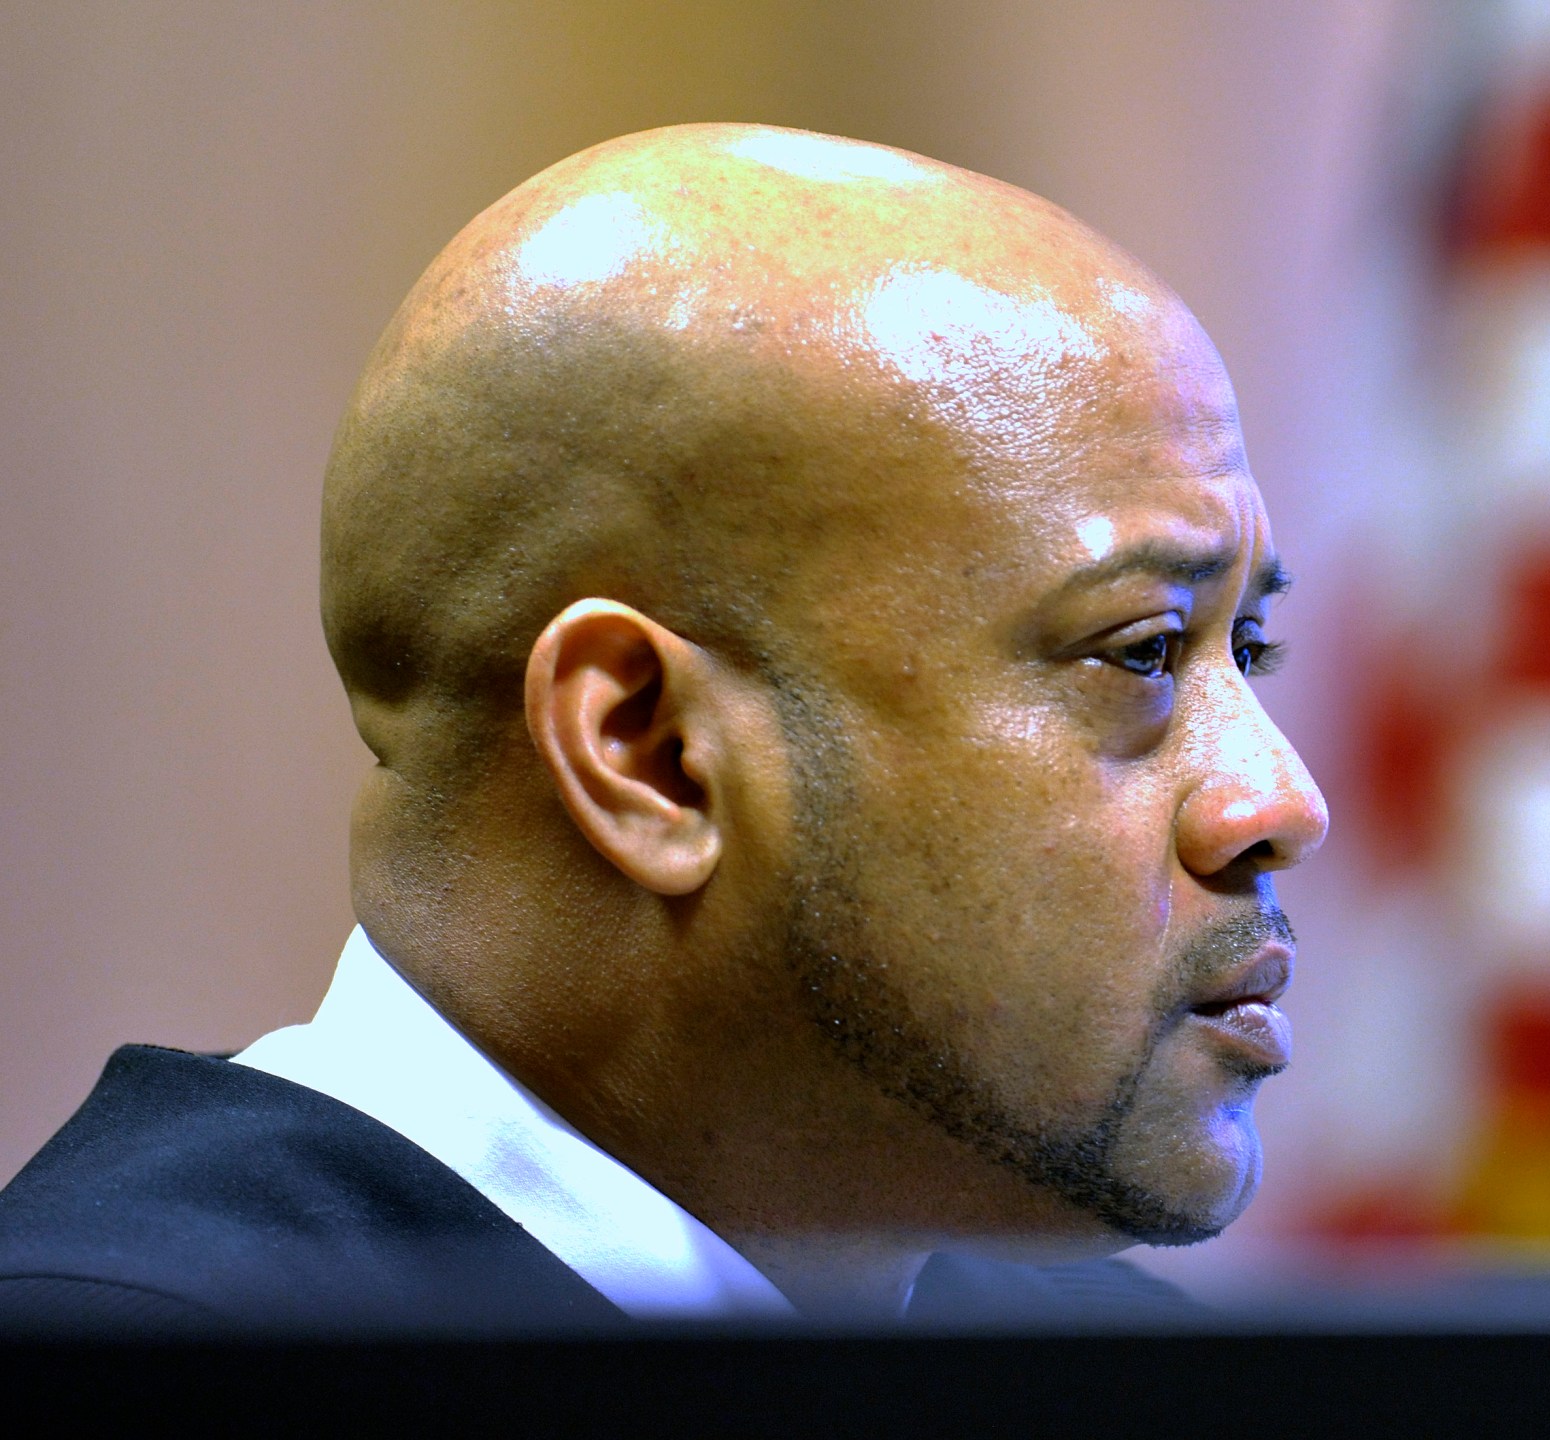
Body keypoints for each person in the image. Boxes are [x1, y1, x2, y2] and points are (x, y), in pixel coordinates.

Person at [0, 123, 1327, 1329]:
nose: (1282, 801)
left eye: (1248, 648)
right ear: (648, 751)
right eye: (1142, 651)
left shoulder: (1137, 1370)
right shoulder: (118, 1365)